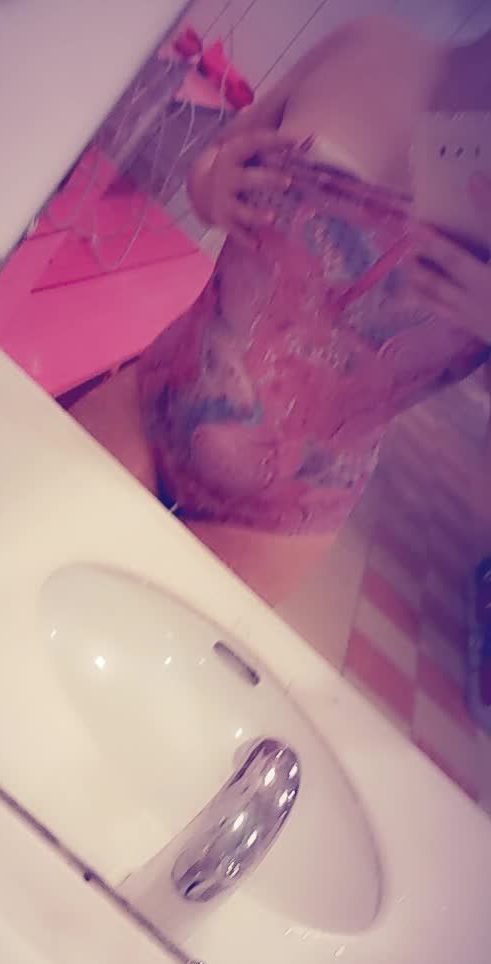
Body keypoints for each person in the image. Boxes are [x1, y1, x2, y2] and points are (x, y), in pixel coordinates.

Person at [68, 14, 491, 604]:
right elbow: (214, 161)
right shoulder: (365, 41)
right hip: (155, 399)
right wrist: (215, 186)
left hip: (282, 514)